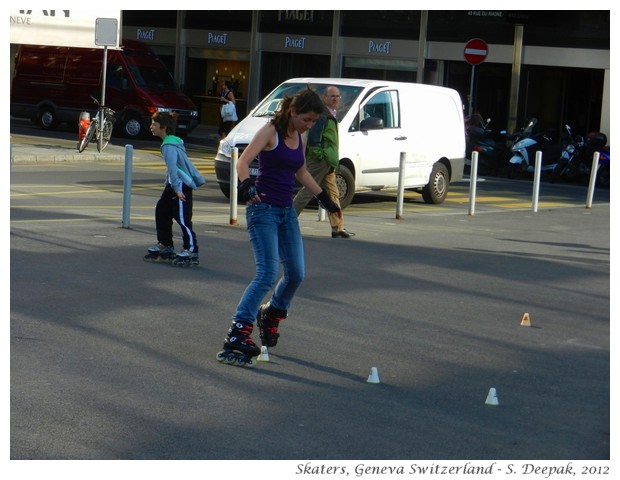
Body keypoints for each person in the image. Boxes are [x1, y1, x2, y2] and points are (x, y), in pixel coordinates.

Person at [216, 87, 342, 367]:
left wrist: (325, 198)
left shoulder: (301, 134)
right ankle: (237, 332)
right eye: (306, 119)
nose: (309, 125)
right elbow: (244, 160)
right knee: (267, 274)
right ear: (293, 112)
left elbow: (301, 171)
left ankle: (272, 314)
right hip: (263, 210)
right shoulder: (270, 130)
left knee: (297, 273)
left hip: (286, 212)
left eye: (312, 121)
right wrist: (247, 184)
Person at [143, 112, 205, 267]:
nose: (151, 127)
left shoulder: (168, 145)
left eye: (154, 124)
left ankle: (191, 249)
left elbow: (172, 168)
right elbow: (172, 169)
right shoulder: (172, 142)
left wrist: (176, 189)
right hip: (174, 184)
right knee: (162, 210)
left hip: (180, 185)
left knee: (182, 217)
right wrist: (169, 185)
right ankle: (165, 244)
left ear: (163, 127)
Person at [293, 85, 355, 238]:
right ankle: (286, 220)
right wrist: (322, 156)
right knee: (307, 191)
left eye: (337, 96)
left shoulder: (331, 115)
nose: (335, 99)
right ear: (324, 98)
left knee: (333, 194)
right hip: (320, 161)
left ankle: (338, 228)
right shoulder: (322, 115)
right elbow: (314, 139)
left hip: (328, 162)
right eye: (332, 96)